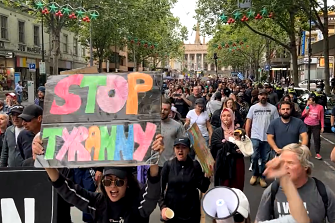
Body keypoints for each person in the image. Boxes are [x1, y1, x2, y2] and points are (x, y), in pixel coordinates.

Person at [33, 133, 164, 223]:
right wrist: (44, 159)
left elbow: (153, 189)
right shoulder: (98, 203)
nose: (113, 186)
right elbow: (66, 189)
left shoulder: (139, 205)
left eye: (118, 181)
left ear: (127, 183)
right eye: (107, 181)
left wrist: (154, 156)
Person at [256, 143, 335, 223]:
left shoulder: (323, 192)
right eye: (282, 163)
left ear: (305, 166)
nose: (285, 167)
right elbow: (259, 219)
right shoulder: (272, 191)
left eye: (290, 163)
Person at [159, 137, 211, 223]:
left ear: (188, 150)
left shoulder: (195, 165)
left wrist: (207, 175)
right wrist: (163, 207)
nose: (180, 150)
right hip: (172, 212)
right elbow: (159, 188)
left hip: (191, 213)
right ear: (174, 149)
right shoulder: (168, 165)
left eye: (183, 147)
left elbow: (203, 187)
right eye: (177, 148)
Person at [245, 89, 279, 188]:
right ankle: (255, 174)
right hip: (255, 136)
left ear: (267, 96)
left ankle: (262, 177)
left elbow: (276, 123)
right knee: (254, 156)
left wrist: (275, 136)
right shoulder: (253, 108)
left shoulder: (273, 108)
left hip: (267, 137)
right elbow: (248, 121)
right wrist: (247, 135)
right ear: (258, 96)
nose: (263, 96)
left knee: (265, 159)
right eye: (261, 95)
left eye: (265, 95)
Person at [211, 108, 245, 191]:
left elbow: (245, 146)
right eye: (224, 116)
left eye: (229, 115)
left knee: (236, 188)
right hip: (221, 163)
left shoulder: (239, 132)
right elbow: (213, 147)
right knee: (223, 188)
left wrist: (240, 148)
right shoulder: (217, 132)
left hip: (236, 163)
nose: (226, 118)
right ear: (221, 117)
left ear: (233, 117)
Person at [159, 100, 185, 168]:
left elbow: (182, 144)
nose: (162, 111)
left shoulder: (177, 126)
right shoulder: (150, 123)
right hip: (152, 165)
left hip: (169, 164)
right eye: (161, 109)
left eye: (165, 109)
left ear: (170, 111)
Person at [301, 95, 324, 160]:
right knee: (307, 138)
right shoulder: (308, 106)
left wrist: (322, 126)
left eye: (310, 100)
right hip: (307, 124)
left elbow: (322, 117)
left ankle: (317, 153)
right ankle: (307, 151)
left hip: (316, 125)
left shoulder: (320, 107)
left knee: (317, 139)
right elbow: (303, 115)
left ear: (314, 101)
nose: (309, 101)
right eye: (308, 100)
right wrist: (307, 108)